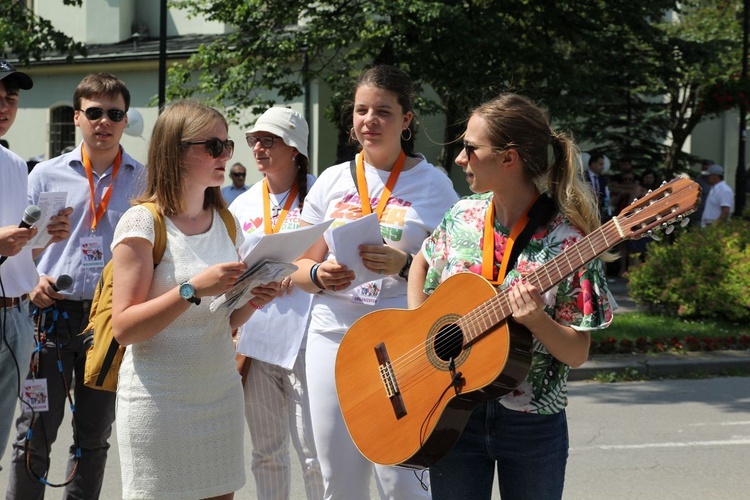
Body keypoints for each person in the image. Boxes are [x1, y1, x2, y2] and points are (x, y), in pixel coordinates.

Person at [407, 93, 614, 500]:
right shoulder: (463, 214)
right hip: (452, 410)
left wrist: (537, 320)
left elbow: (577, 353)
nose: (461, 159)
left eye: (471, 148)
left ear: (509, 158)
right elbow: (421, 262)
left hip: (532, 423)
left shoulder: (569, 240)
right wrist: (418, 325)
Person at [292, 65, 459, 499]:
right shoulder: (330, 180)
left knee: (400, 476)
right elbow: (294, 265)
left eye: (383, 111)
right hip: (332, 335)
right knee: (338, 475)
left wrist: (405, 265)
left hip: (401, 337)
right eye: (362, 110)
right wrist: (316, 273)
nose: (369, 120)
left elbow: (461, 273)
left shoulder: (435, 185)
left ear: (406, 120)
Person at [110, 99, 278, 500]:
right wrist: (191, 290)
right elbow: (125, 328)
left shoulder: (224, 219)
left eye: (227, 145)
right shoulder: (142, 221)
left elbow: (222, 321)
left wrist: (252, 300)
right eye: (213, 146)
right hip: (159, 401)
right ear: (176, 150)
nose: (225, 156)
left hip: (218, 395)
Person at [6, 72, 144, 500]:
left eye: (115, 114)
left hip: (107, 322)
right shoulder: (42, 175)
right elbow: (17, 244)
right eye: (95, 113)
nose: (105, 122)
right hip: (49, 314)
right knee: (35, 431)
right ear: (77, 118)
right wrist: (33, 282)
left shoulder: (143, 180)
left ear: (125, 120)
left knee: (94, 436)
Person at [230, 107, 324, 500]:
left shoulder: (321, 195)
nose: (258, 147)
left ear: (295, 149)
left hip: (309, 339)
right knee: (266, 452)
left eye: (269, 140)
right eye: (255, 139)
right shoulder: (241, 205)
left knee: (315, 455)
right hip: (257, 341)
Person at [1, 61, 72, 469]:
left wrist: (43, 237)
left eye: (11, 99)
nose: (5, 107)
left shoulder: (13, 164)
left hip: (15, 319)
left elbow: (17, 252)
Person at [585, 153, 610, 222]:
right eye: (600, 164)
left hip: (598, 213)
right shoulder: (582, 177)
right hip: (585, 210)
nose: (603, 167)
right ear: (593, 164)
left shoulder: (601, 179)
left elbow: (603, 195)